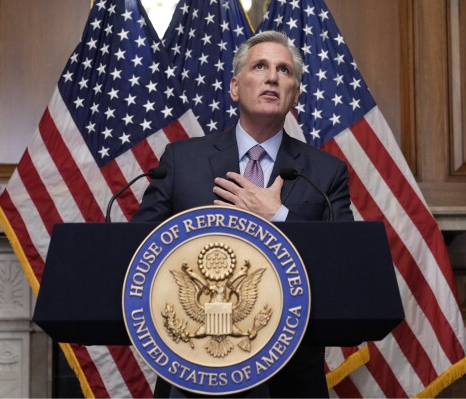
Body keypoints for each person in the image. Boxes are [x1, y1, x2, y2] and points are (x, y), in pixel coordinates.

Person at [132, 30, 354, 398]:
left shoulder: (325, 173)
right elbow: (138, 252)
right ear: (235, 87)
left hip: (288, 380)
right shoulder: (182, 161)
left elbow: (343, 267)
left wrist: (279, 217)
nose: (272, 77)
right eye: (260, 66)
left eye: (284, 71)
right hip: (193, 371)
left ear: (294, 95)